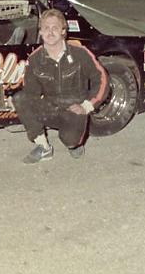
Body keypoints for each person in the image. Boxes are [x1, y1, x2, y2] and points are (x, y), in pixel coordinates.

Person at [12, 9, 108, 164]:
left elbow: (102, 79)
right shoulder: (35, 59)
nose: (50, 32)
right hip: (51, 109)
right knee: (20, 98)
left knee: (70, 141)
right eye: (46, 28)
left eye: (55, 28)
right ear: (41, 32)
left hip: (74, 110)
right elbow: (30, 93)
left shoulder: (80, 53)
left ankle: (74, 144)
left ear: (63, 31)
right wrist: (22, 107)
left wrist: (87, 106)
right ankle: (44, 147)